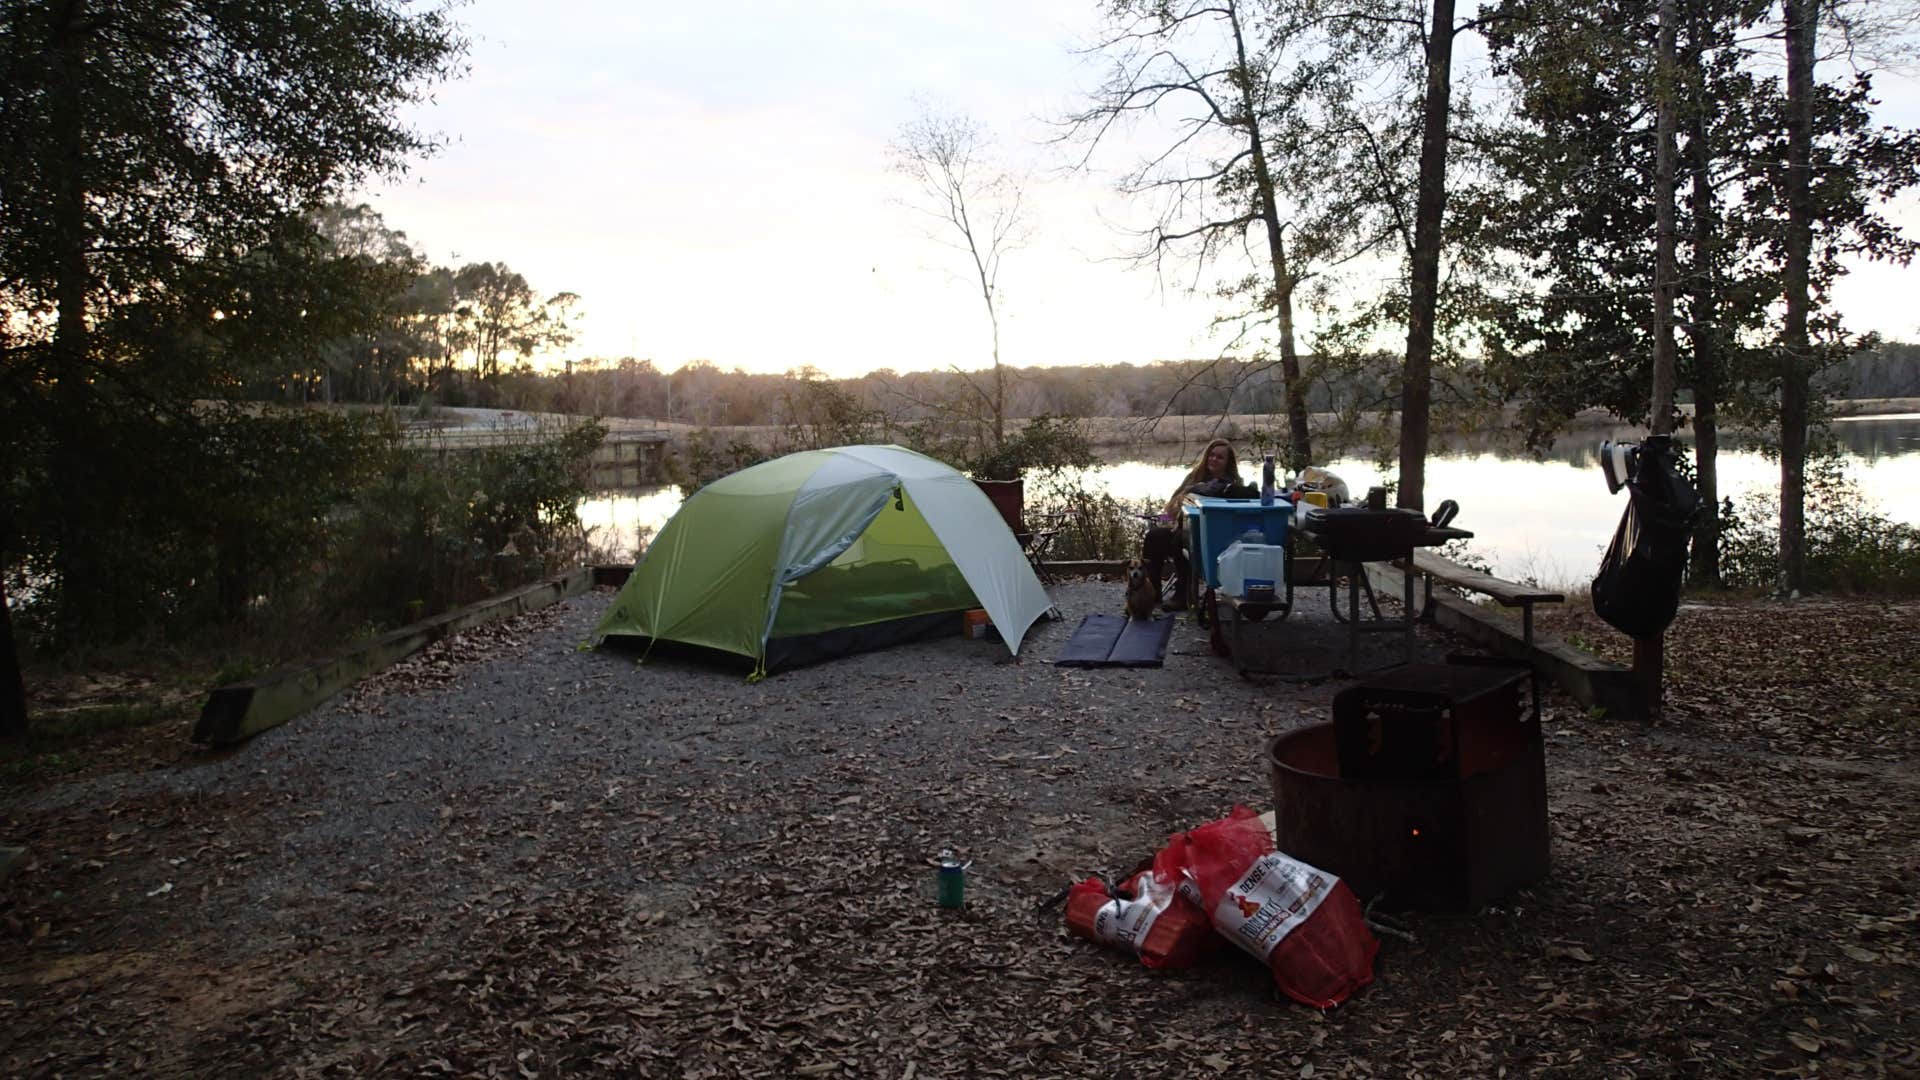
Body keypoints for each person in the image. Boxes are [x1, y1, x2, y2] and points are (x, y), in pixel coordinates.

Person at [1140, 438, 1252, 609]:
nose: (1213, 459)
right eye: (1211, 455)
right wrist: (1163, 517)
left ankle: (1182, 596)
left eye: (1219, 457)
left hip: (1214, 538)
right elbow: (1169, 511)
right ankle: (1151, 593)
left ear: (1228, 463)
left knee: (1181, 539)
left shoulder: (1235, 486)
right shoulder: (1194, 478)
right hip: (1180, 527)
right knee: (1153, 536)